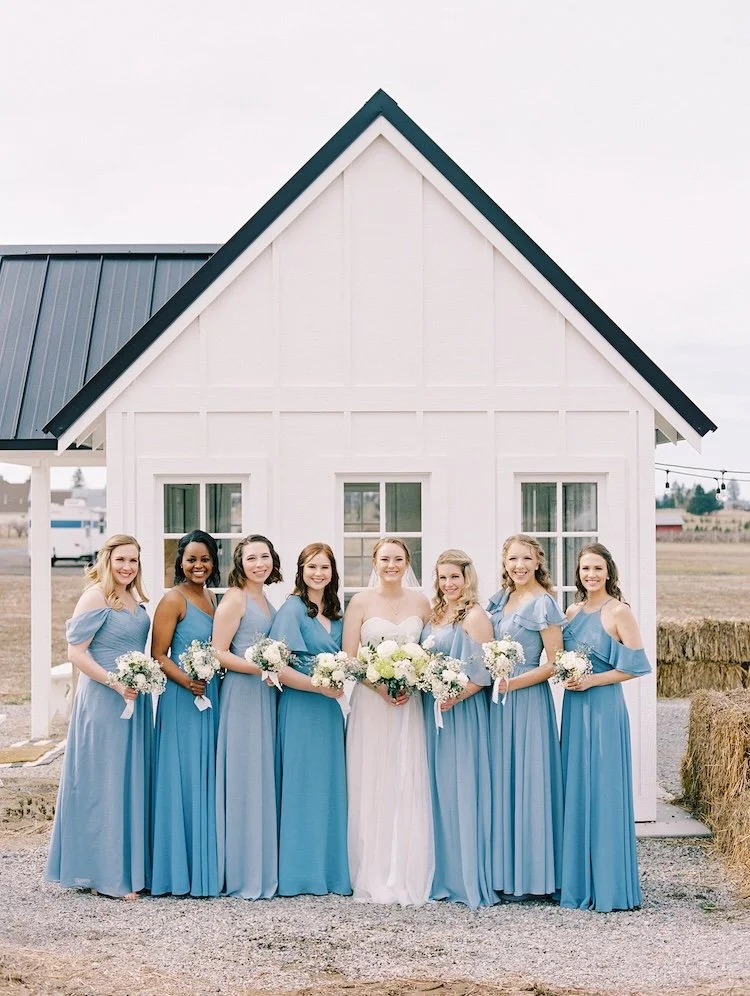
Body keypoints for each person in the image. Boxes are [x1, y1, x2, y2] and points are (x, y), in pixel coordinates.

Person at [46, 535, 151, 899]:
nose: (127, 567)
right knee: (104, 782)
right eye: (121, 559)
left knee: (127, 781)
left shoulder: (135, 598)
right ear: (107, 560)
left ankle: (128, 866)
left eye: (133, 561)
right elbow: (76, 653)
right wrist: (115, 682)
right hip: (104, 698)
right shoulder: (95, 596)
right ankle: (104, 875)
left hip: (133, 700)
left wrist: (137, 681)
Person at [560, 542, 651, 912]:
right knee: (577, 788)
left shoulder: (619, 612)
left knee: (604, 790)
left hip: (603, 708)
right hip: (574, 708)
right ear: (578, 574)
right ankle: (577, 881)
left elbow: (636, 666)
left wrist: (591, 682)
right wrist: (568, 678)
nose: (591, 575)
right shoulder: (572, 610)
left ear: (609, 572)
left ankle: (611, 886)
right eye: (585, 569)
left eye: (597, 568)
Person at [343, 537, 434, 904]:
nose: (391, 565)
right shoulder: (360, 602)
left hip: (409, 704)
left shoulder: (422, 601)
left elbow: (432, 650)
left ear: (407, 562)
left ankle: (407, 867)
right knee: (372, 776)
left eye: (398, 559)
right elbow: (349, 657)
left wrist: (416, 680)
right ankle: (373, 868)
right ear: (374, 562)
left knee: (406, 774)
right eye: (385, 559)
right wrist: (378, 685)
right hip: (371, 702)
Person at [269, 543, 351, 897]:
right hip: (302, 706)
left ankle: (330, 872)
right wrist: (319, 687)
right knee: (301, 786)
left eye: (325, 567)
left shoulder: (336, 611)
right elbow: (278, 667)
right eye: (312, 567)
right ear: (300, 570)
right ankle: (299, 873)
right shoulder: (292, 609)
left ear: (333, 572)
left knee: (329, 787)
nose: (319, 573)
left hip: (329, 711)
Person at [487, 534, 565, 900]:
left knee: (529, 782)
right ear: (505, 562)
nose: (518, 565)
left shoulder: (543, 604)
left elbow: (555, 663)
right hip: (497, 704)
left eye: (526, 559)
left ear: (538, 562)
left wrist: (513, 684)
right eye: (512, 559)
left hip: (528, 700)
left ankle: (534, 877)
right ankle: (503, 873)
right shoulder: (500, 600)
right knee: (502, 782)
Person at [421, 550, 496, 908]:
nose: (448, 584)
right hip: (432, 709)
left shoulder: (476, 616)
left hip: (461, 713)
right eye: (442, 577)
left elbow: (483, 673)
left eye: (454, 577)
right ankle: (442, 873)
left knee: (462, 788)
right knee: (438, 789)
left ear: (467, 578)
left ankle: (467, 877)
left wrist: (454, 696)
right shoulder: (436, 612)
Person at [151, 530, 221, 897]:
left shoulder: (211, 597)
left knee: (205, 775)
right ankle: (176, 870)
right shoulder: (172, 600)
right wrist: (188, 682)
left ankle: (203, 864)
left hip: (210, 699)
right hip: (182, 700)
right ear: (180, 561)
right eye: (192, 559)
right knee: (182, 776)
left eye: (205, 558)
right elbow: (158, 654)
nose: (199, 565)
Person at [213, 534, 282, 899]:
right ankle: (241, 870)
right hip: (241, 694)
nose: (260, 564)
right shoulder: (235, 599)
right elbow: (219, 652)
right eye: (252, 558)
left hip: (265, 694)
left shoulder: (265, 599)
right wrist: (260, 669)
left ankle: (261, 863)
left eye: (265, 557)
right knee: (243, 776)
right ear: (240, 563)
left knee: (261, 774)